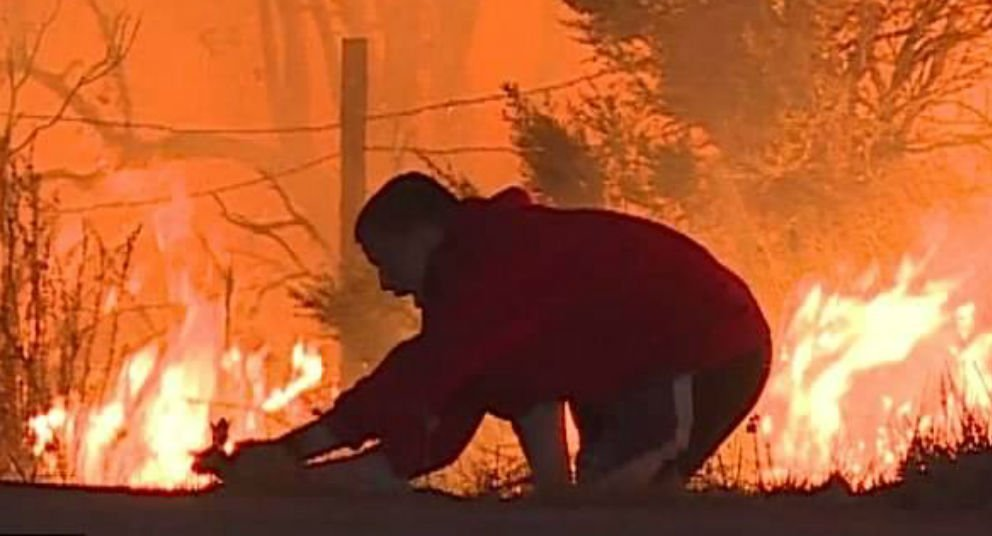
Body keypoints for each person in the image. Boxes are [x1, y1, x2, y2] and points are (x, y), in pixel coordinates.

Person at [193, 171, 772, 495]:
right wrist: (287, 474)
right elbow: (428, 438)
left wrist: (288, 461)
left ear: (420, 234)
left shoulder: (489, 269)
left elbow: (420, 381)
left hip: (705, 344)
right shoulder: (483, 278)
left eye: (382, 261)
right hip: (646, 363)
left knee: (608, 510)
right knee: (596, 507)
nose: (387, 285)